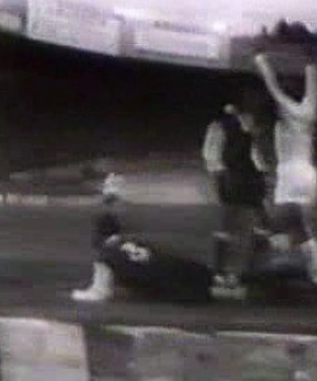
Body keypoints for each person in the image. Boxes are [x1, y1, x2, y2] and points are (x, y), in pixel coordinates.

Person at [71, 174, 213, 303]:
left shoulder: (106, 257)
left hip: (176, 286)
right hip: (193, 270)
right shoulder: (132, 241)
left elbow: (100, 293)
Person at [253, 51, 317, 290]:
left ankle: (270, 270)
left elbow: (272, 86)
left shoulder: (287, 108)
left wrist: (261, 61)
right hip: (309, 172)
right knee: (302, 227)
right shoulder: (309, 110)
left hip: (290, 173)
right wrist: (311, 66)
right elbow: (314, 89)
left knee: (276, 226)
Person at [202, 97, 271, 288]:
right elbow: (254, 156)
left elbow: (212, 156)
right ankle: (240, 271)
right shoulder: (233, 126)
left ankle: (232, 271)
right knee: (252, 225)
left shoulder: (225, 126)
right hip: (240, 179)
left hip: (239, 179)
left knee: (236, 226)